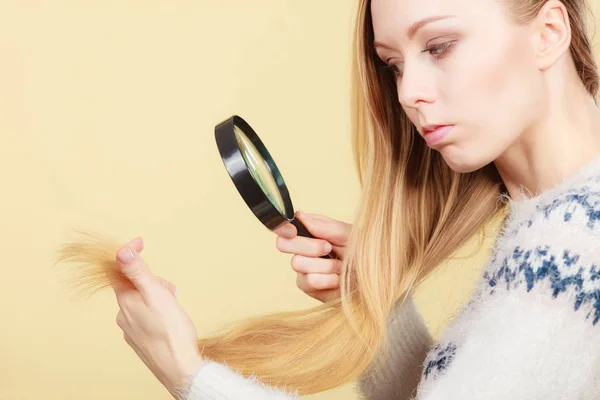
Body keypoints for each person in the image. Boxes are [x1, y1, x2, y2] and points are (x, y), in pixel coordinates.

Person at [107, 0, 600, 398]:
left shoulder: (574, 242)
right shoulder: (553, 222)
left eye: (440, 46)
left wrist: (190, 375)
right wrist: (382, 312)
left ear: (549, 32)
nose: (408, 92)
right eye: (393, 64)